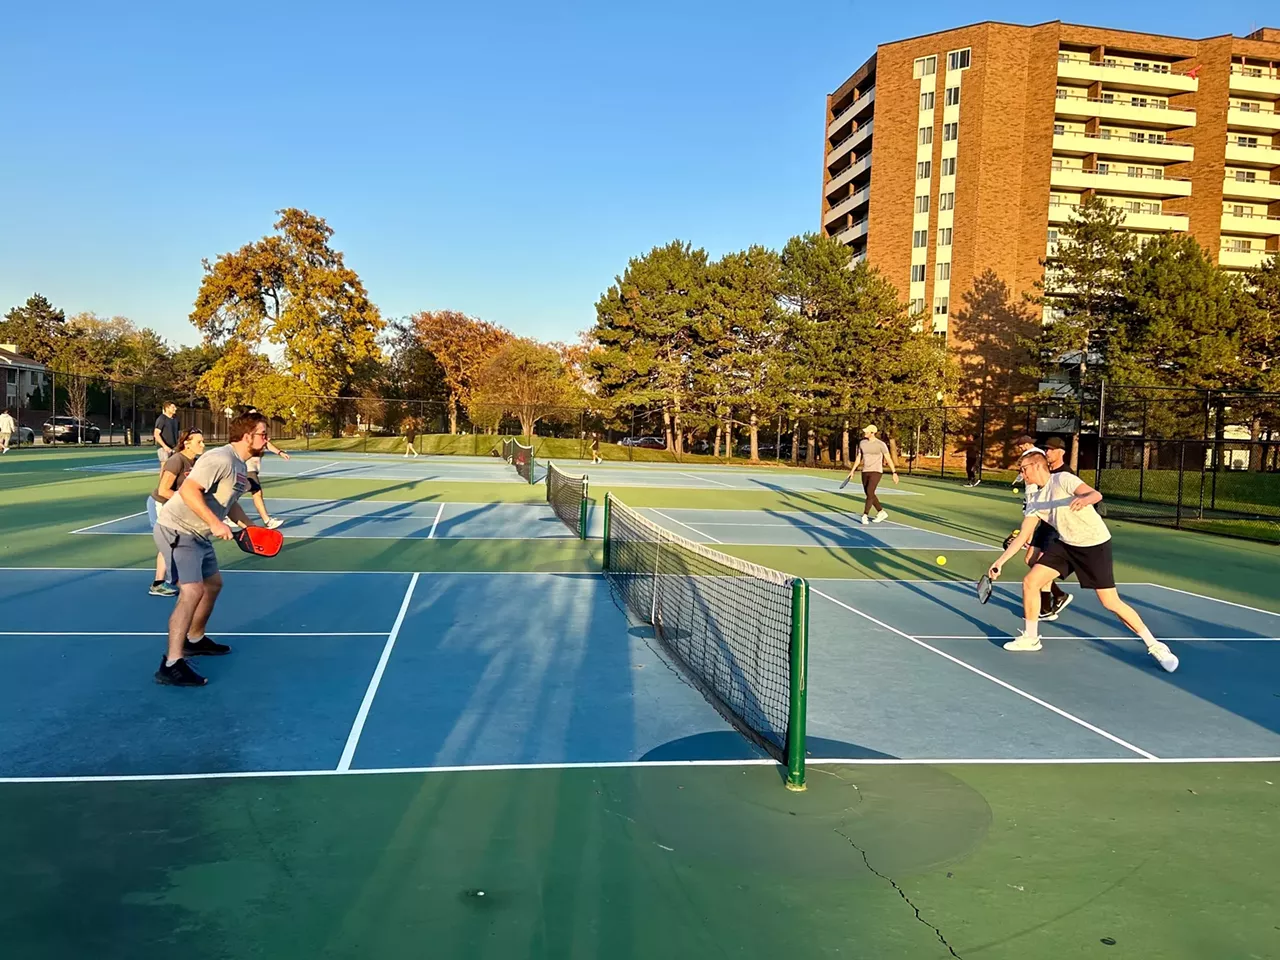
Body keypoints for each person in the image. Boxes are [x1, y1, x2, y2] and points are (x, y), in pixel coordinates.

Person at [987, 451, 1178, 673]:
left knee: (1110, 602)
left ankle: (1155, 645)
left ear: (1038, 466)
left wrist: (1084, 499)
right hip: (1067, 545)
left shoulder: (1063, 480)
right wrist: (1000, 561)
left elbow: (1095, 494)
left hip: (1094, 544)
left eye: (1024, 469)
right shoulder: (1035, 500)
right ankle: (1031, 638)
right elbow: (1023, 535)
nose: (1023, 475)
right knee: (1031, 582)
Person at [152, 411, 270, 686]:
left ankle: (194, 639)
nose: (267, 441)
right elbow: (190, 490)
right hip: (178, 529)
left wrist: (251, 527)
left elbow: (231, 503)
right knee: (192, 591)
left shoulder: (240, 465)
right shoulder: (220, 459)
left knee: (213, 585)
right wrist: (216, 524)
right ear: (246, 436)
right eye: (263, 435)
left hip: (199, 534)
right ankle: (171, 664)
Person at [147, 428, 205, 596]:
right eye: (198, 442)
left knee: (176, 541)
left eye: (202, 441)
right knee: (168, 542)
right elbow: (164, 490)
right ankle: (159, 583)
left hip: (176, 505)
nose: (203, 445)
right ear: (187, 443)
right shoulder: (177, 460)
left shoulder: (196, 462)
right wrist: (187, 501)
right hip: (162, 503)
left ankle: (168, 580)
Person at [240, 408, 289, 529]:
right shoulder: (247, 434)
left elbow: (266, 443)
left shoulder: (259, 434)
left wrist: (279, 452)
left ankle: (223, 511)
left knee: (234, 492)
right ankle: (267, 521)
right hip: (247, 467)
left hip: (252, 467)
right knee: (257, 493)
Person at [845, 424, 898, 524]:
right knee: (869, 493)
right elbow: (858, 457)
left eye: (867, 431)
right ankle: (881, 512)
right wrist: (852, 471)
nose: (865, 433)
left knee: (870, 491)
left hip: (876, 471)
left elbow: (888, 458)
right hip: (865, 471)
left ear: (872, 433)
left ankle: (865, 514)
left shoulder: (881, 444)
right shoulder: (862, 443)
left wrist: (894, 472)